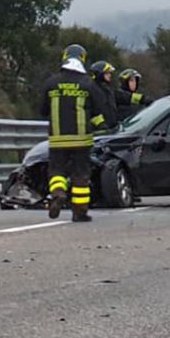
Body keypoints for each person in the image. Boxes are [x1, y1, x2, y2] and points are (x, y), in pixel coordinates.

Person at [41, 44, 108, 222]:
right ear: (82, 59)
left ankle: (58, 193)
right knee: (81, 176)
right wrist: (102, 126)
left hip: (57, 139)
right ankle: (80, 212)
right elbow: (99, 110)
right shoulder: (88, 84)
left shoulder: (51, 83)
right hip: (82, 139)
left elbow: (42, 110)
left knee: (56, 171)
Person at [89, 60, 118, 129]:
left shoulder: (107, 89)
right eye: (107, 73)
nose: (110, 75)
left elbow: (124, 96)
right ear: (99, 74)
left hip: (110, 129)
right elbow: (92, 112)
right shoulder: (92, 90)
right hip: (98, 131)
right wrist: (101, 125)